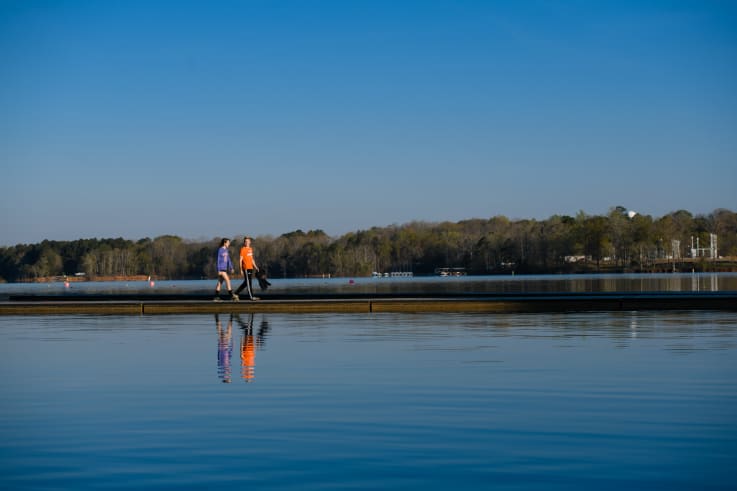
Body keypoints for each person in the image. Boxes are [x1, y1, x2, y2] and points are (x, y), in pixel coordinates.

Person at [235, 236, 259, 301]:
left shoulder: (250, 249)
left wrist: (256, 267)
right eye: (245, 241)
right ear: (244, 242)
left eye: (247, 241)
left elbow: (252, 259)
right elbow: (240, 260)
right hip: (245, 268)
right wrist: (240, 269)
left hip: (250, 268)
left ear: (250, 242)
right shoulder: (243, 249)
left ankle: (235, 293)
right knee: (249, 282)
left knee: (246, 282)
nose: (246, 242)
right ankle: (251, 297)